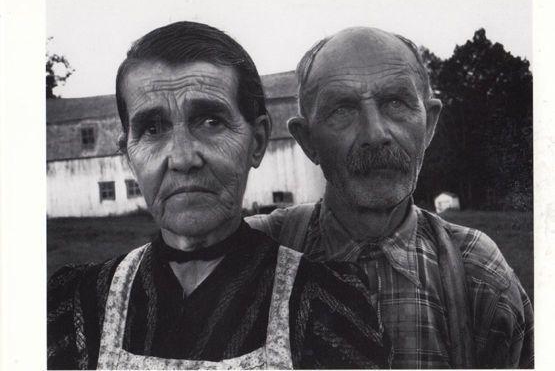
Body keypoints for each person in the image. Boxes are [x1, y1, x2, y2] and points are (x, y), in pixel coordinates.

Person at [47, 21, 391, 370]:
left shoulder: (326, 304)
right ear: (128, 154)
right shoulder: (79, 303)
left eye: (211, 122)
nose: (182, 158)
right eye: (152, 128)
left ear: (256, 142)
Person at [246, 27, 533, 369]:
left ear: (429, 126)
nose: (375, 134)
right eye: (343, 109)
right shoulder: (251, 255)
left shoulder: (480, 275)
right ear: (308, 141)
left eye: (396, 103)